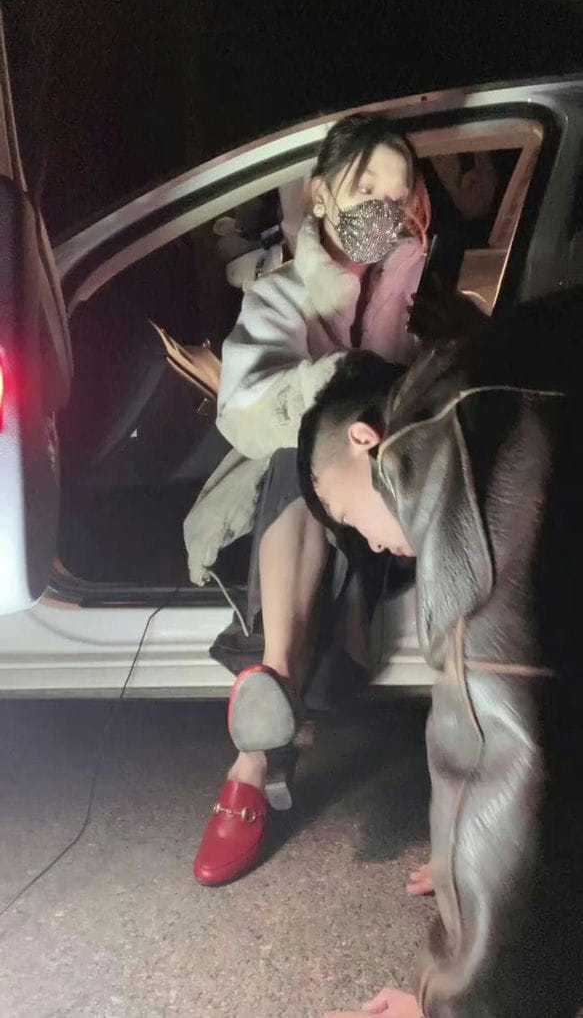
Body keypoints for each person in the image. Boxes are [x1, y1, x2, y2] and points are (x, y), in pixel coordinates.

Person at [293, 288, 583, 1017]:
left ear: (366, 441)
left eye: (349, 517)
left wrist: (449, 1000)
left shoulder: (449, 444)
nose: (373, 544)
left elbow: (499, 747)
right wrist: (465, 855)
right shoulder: (505, 363)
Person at [184, 111, 433, 888]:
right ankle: (277, 695)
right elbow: (244, 413)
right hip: (297, 497)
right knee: (301, 453)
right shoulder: (278, 297)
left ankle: (261, 737)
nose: (379, 211)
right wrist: (337, 382)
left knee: (338, 462)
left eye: (395, 196)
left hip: (387, 508)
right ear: (320, 194)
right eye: (364, 190)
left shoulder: (418, 295)